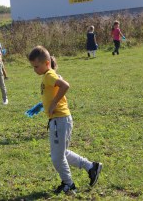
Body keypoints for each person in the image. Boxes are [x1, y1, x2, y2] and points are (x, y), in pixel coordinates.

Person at [28, 45, 102, 195]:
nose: (34, 69)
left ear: (47, 63)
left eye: (36, 66)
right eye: (33, 67)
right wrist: (43, 104)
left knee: (57, 157)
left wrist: (54, 103)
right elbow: (53, 91)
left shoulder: (49, 75)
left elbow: (65, 86)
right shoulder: (48, 75)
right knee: (63, 152)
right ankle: (91, 167)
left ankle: (69, 184)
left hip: (59, 120)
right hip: (61, 120)